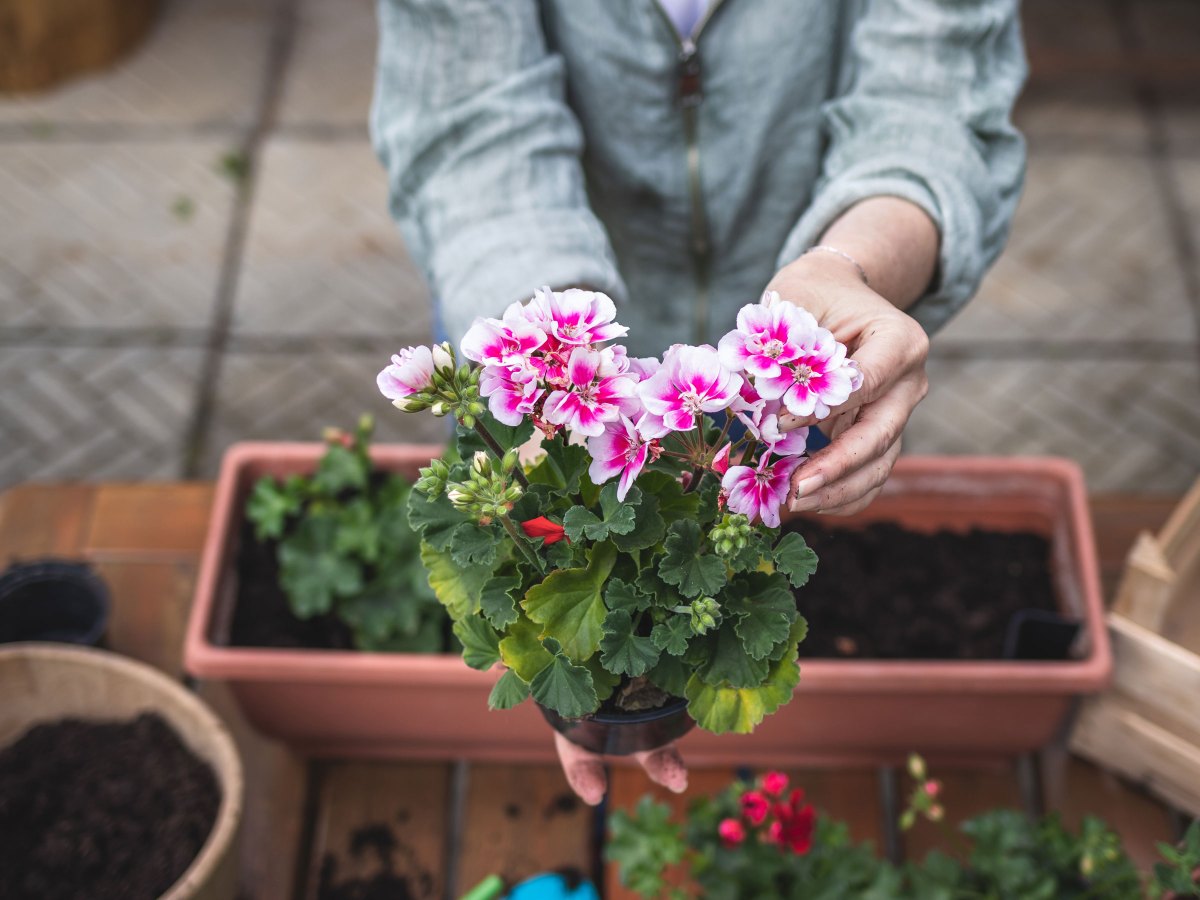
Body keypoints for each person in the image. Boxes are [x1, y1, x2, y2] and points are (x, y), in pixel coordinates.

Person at [371, 0, 1026, 803]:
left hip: (796, 355)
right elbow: (469, 117)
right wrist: (555, 371)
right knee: (551, 535)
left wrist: (852, 265)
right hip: (549, 333)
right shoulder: (552, 381)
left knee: (795, 533)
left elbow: (934, 97)